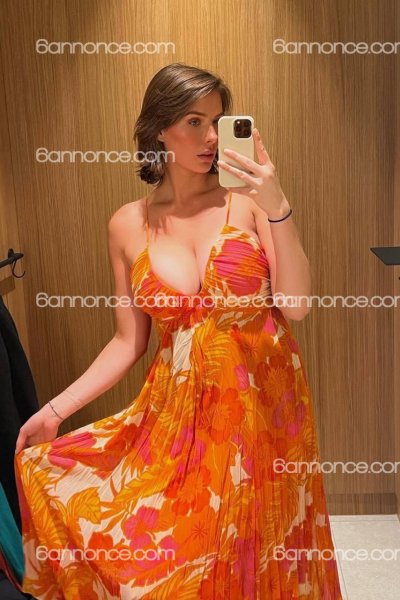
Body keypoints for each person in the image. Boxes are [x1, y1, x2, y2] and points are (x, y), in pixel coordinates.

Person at [14, 62, 342, 599]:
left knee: (259, 544)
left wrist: (278, 206)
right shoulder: (127, 223)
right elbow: (128, 341)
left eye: (218, 121)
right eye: (194, 121)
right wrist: (54, 410)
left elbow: (298, 305)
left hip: (266, 409)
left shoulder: (250, 202)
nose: (211, 137)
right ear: (159, 129)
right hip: (178, 416)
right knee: (178, 557)